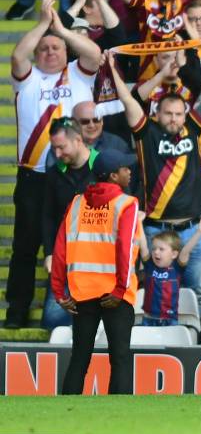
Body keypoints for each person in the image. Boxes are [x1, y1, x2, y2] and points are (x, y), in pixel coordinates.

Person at [5, 0, 101, 329]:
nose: (49, 52)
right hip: (33, 176)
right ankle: (17, 310)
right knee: (26, 246)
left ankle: (59, 307)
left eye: (56, 48)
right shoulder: (27, 78)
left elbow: (94, 54)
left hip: (72, 175)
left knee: (72, 243)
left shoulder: (79, 73)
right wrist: (44, 25)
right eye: (44, 48)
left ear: (66, 52)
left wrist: (61, 28)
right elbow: (18, 54)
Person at [107, 42, 201, 316]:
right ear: (156, 114)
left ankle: (196, 343)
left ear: (185, 115)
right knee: (152, 296)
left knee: (198, 293)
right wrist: (113, 70)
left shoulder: (193, 127)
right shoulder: (145, 132)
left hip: (192, 229)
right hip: (155, 230)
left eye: (178, 114)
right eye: (168, 113)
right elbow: (128, 100)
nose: (173, 119)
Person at [51, 149, 139, 394]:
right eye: (125, 168)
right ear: (113, 175)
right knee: (119, 359)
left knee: (79, 358)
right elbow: (124, 248)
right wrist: (121, 288)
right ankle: (117, 421)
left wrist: (59, 291)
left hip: (83, 293)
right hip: (115, 295)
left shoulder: (77, 203)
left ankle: (67, 414)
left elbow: (60, 249)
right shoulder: (127, 204)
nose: (129, 172)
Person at [41, 117, 101, 330]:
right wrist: (49, 252)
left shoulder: (103, 166)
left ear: (78, 140)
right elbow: (47, 216)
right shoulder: (54, 173)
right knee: (54, 321)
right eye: (54, 149)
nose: (57, 154)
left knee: (96, 324)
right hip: (64, 258)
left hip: (99, 259)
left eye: (61, 147)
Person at [140, 221, 201, 326]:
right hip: (148, 319)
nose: (156, 252)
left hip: (170, 320)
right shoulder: (149, 265)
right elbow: (144, 245)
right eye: (154, 249)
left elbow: (186, 250)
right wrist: (138, 223)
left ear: (174, 254)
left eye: (161, 249)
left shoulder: (176, 268)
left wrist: (199, 231)